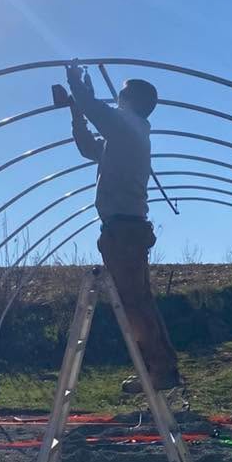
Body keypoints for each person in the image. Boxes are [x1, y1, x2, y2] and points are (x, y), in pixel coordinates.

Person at [66, 62, 182, 393]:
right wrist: (77, 113)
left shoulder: (128, 128)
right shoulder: (125, 135)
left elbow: (97, 111)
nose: (116, 99)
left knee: (134, 302)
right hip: (126, 228)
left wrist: (77, 86)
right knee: (138, 300)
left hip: (124, 230)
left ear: (129, 101)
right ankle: (158, 367)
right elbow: (89, 147)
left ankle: (159, 369)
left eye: (121, 94)